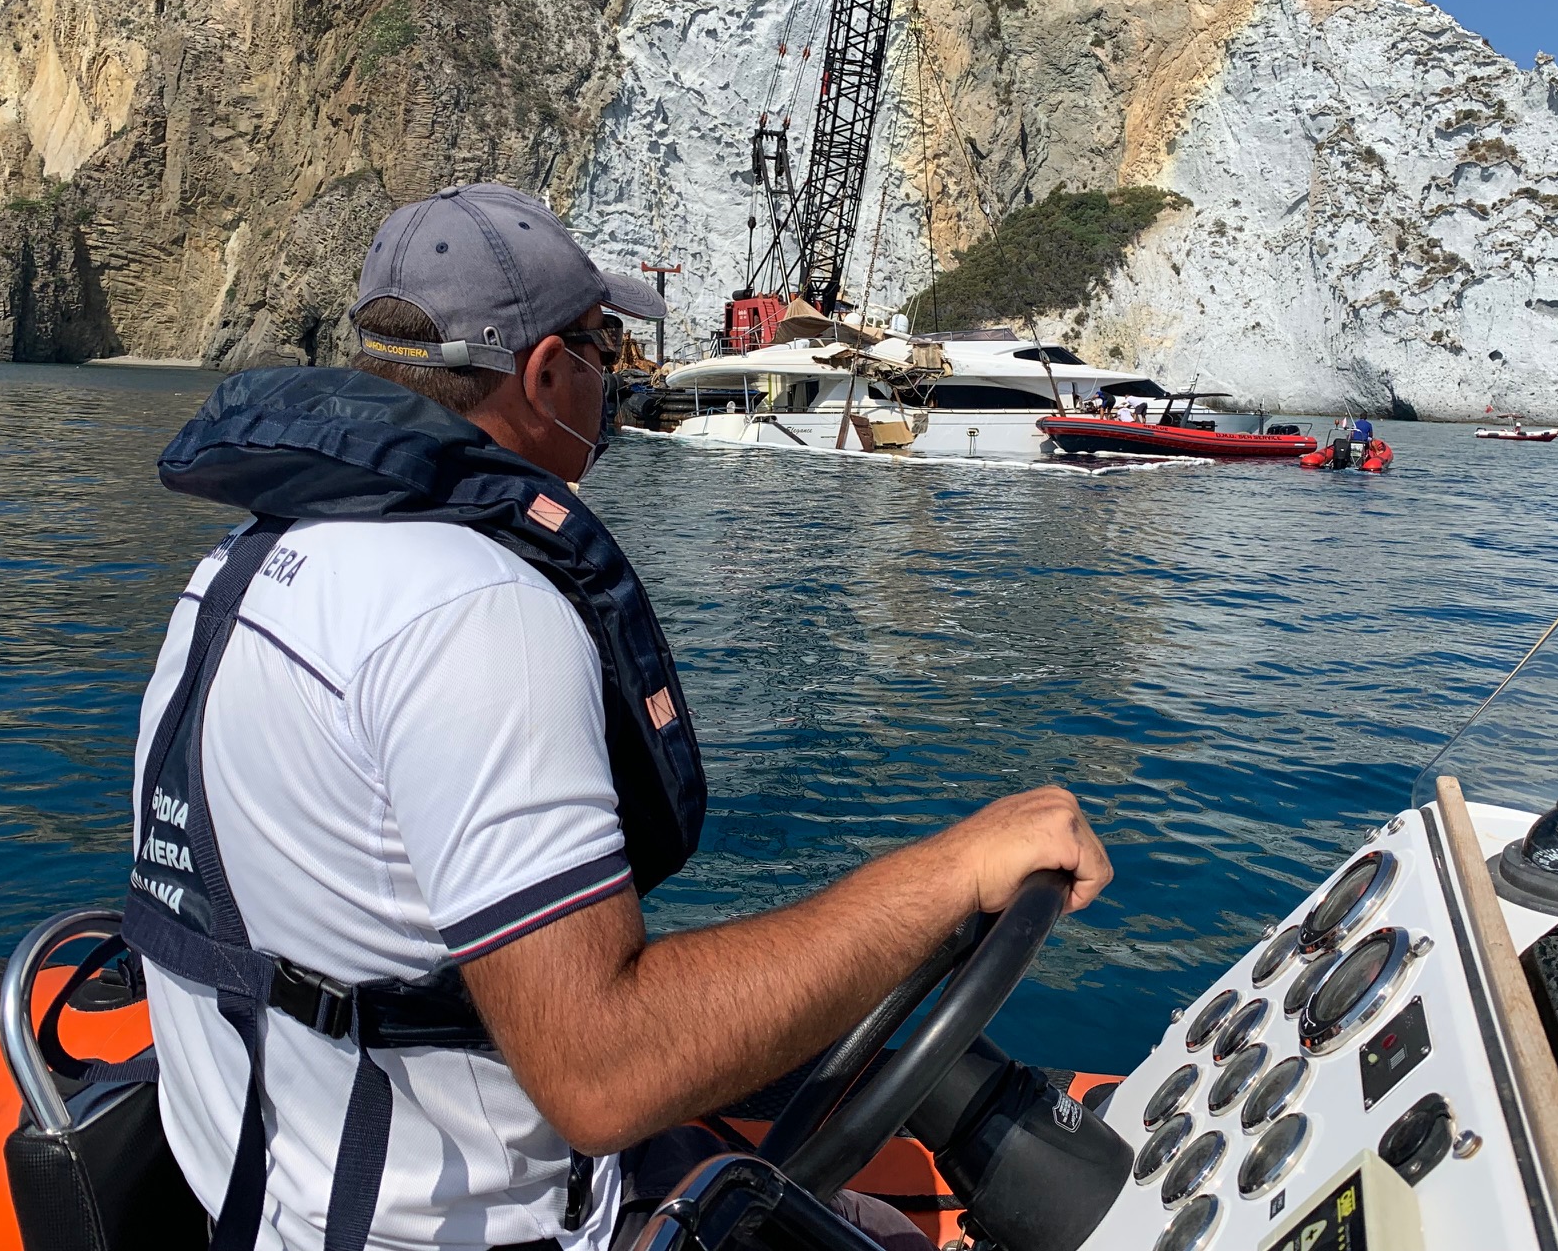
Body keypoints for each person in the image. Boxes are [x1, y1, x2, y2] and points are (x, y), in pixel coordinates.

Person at [126, 183, 1112, 1251]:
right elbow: (600, 1074)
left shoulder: (249, 565)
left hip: (272, 1191)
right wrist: (955, 870)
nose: (618, 380)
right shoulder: (473, 607)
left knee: (866, 1212)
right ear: (547, 376)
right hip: (446, 1228)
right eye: (602, 351)